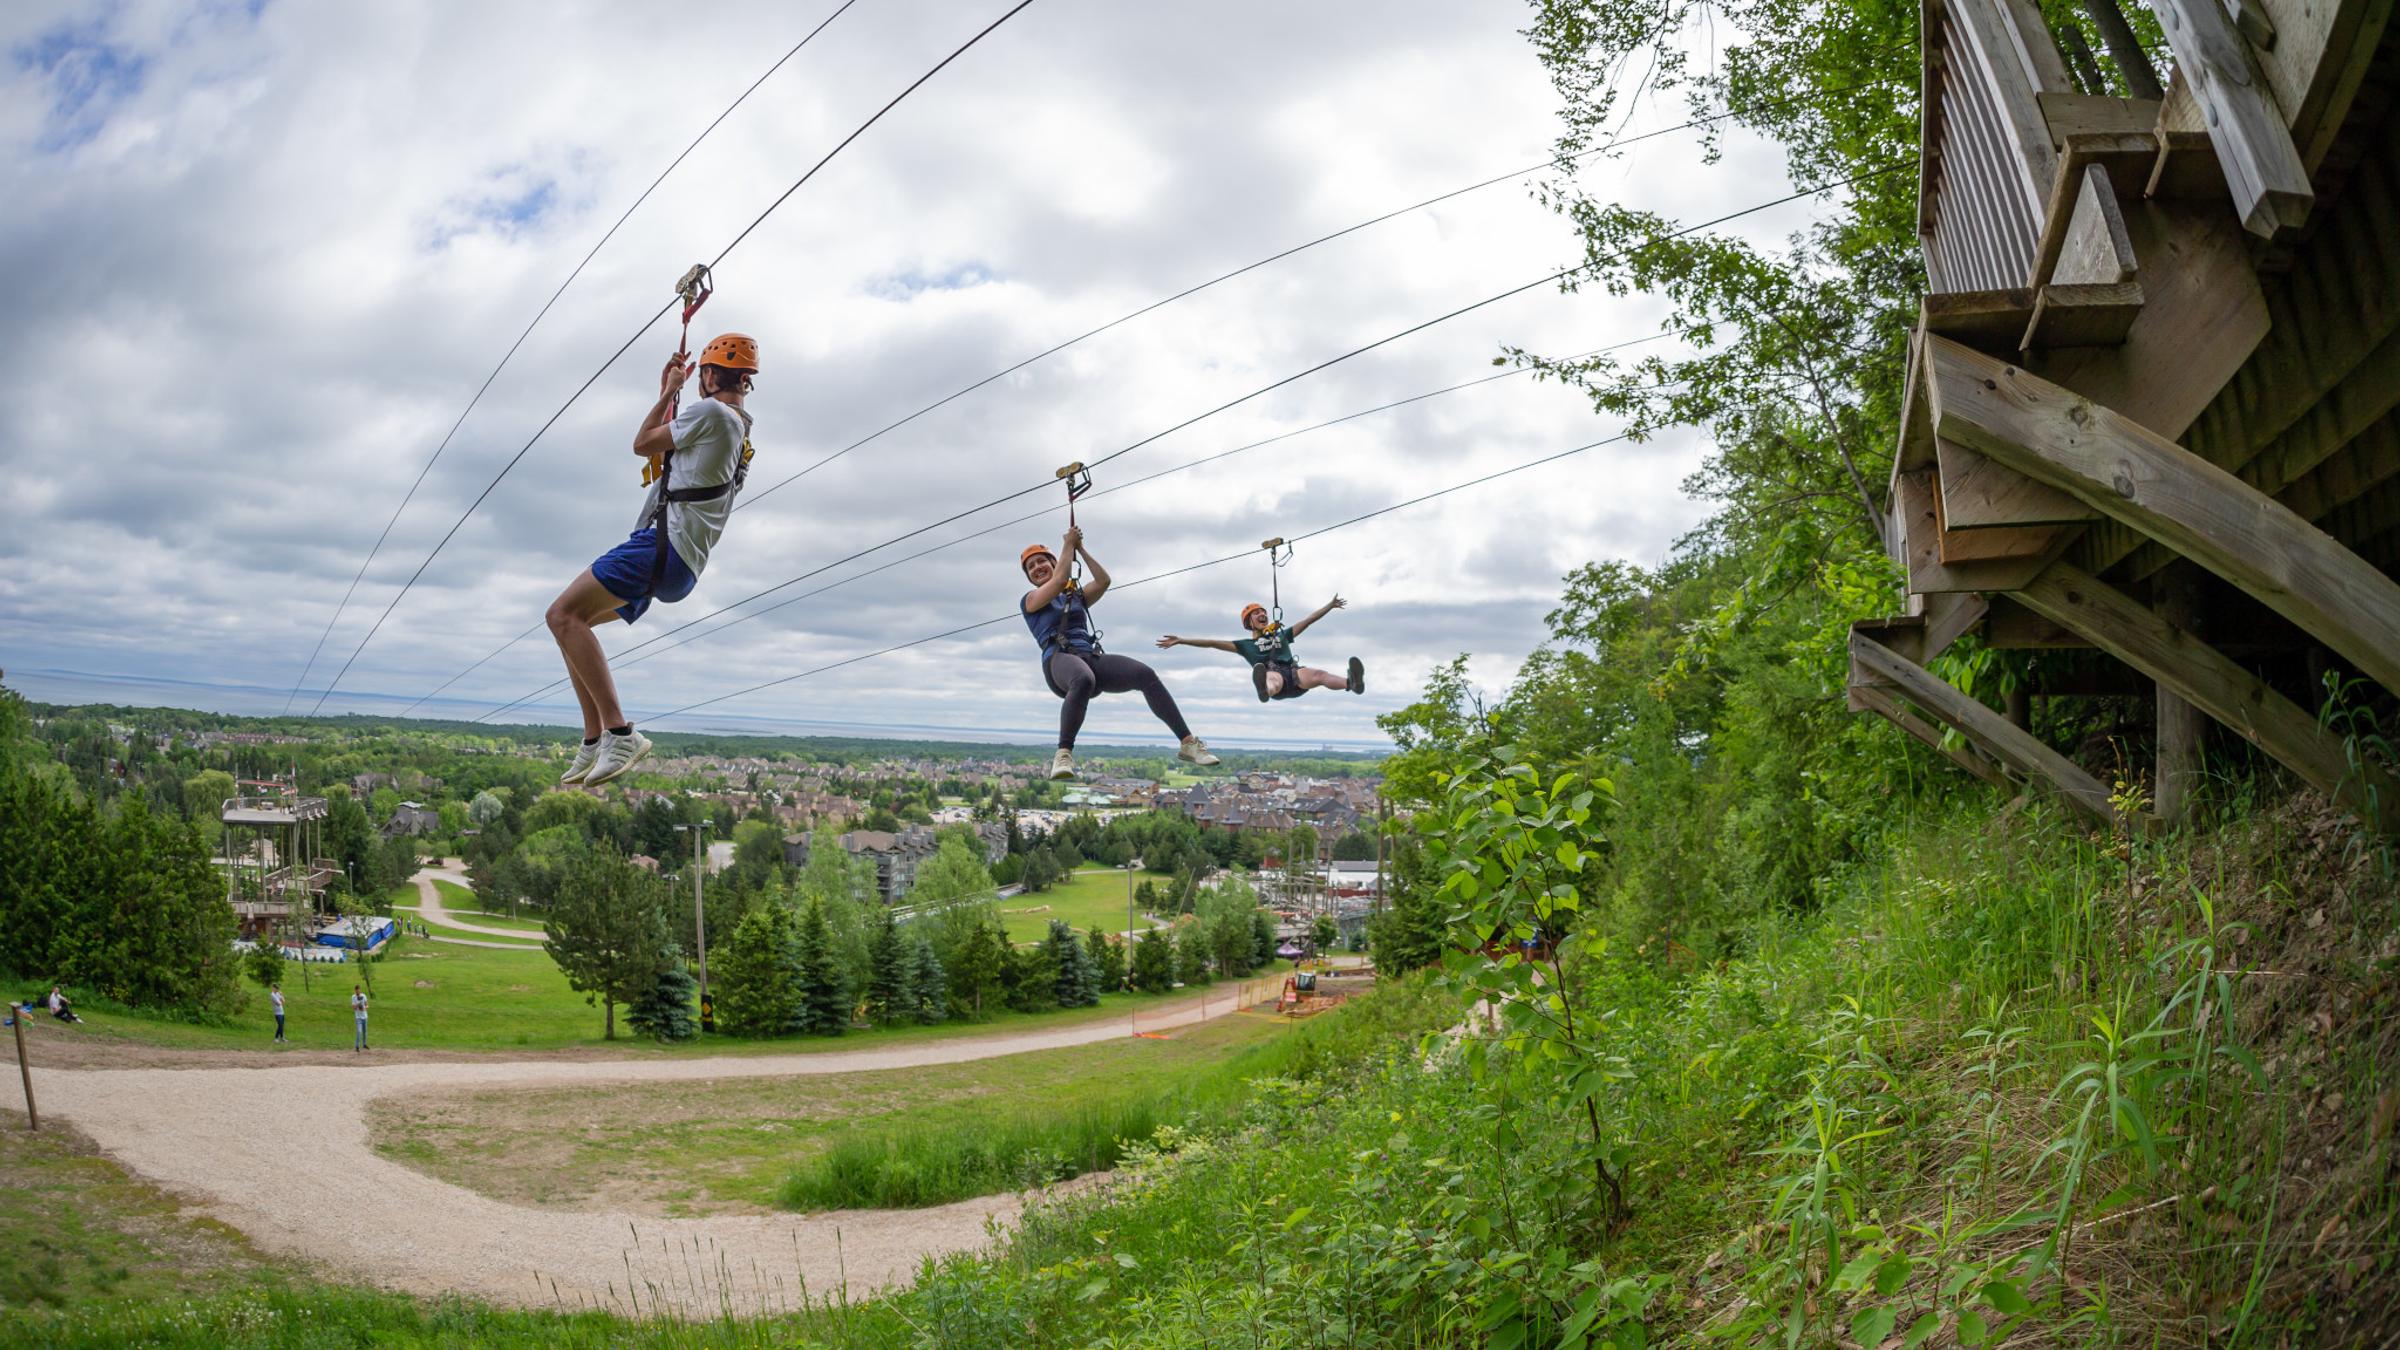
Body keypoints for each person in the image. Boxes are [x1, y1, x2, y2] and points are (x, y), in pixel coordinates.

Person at [549, 334, 761, 790]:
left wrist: (668, 392)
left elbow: (643, 443)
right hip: (681, 565)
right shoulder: (739, 430)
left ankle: (619, 733)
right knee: (571, 627)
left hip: (660, 545)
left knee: (562, 615)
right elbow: (671, 452)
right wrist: (670, 394)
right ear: (746, 381)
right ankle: (593, 739)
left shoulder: (710, 413)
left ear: (708, 375)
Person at [1020, 527, 1218, 781]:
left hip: (1088, 656)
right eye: (1031, 567)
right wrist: (1068, 544)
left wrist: (1080, 548)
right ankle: (1063, 754)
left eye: (1041, 561)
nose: (1037, 567)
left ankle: (1188, 743)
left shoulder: (1074, 596)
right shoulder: (1030, 600)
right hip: (1059, 660)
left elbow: (1103, 581)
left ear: (1054, 563)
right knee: (1083, 679)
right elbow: (1059, 580)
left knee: (1145, 675)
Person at [1158, 596, 1364, 703]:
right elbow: (1212, 642)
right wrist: (1182, 640)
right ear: (1249, 623)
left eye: (1263, 612)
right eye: (1256, 613)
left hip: (1294, 675)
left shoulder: (1281, 635)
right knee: (1272, 677)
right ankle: (1264, 689)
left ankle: (1351, 683)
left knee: (1319, 674)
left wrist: (1329, 605)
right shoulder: (1245, 646)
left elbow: (1308, 620)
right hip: (1276, 681)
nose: (1262, 614)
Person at [351, 984, 369, 1052]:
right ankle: (357, 1046)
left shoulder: (364, 996)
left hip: (365, 1016)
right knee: (359, 1031)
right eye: (356, 990)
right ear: (355, 990)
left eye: (358, 990)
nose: (357, 991)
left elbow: (367, 1005)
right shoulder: (353, 997)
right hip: (358, 1017)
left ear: (360, 990)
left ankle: (364, 1044)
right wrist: (358, 1004)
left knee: (365, 1031)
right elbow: (353, 1007)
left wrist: (364, 1008)